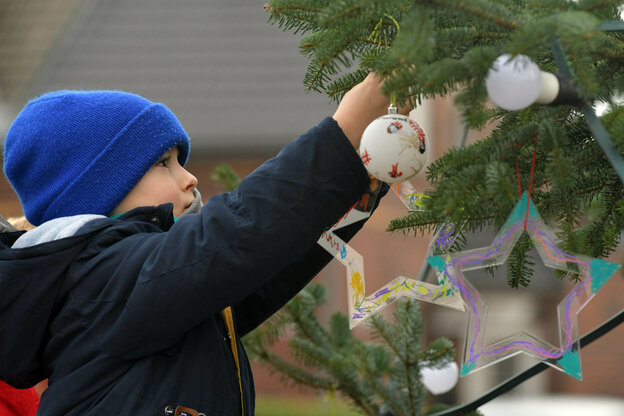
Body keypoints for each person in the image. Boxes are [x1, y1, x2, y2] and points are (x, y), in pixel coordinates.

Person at [0, 74, 399, 415]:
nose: (189, 177)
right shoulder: (100, 280)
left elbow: (272, 255)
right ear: (99, 192)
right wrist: (343, 134)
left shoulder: (162, 292)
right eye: (163, 163)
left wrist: (365, 175)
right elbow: (236, 232)